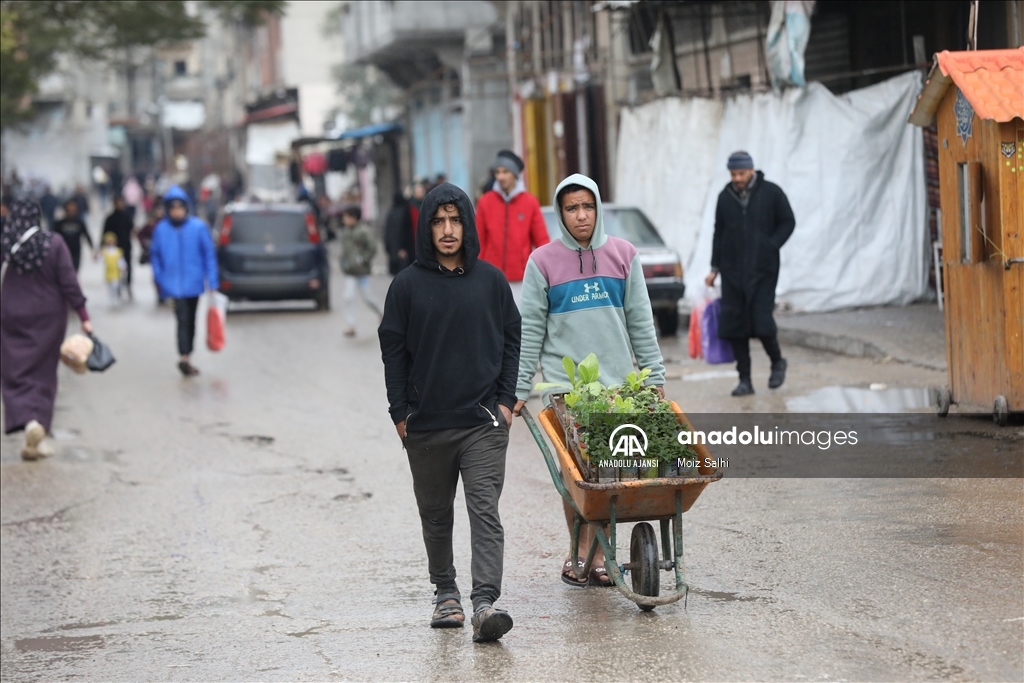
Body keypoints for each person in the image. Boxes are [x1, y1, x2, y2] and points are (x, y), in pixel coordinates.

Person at [378, 182, 521, 643]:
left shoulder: (491, 282)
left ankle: (485, 604)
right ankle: (445, 594)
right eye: (438, 221)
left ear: (467, 225)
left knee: (484, 511)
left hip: (482, 424)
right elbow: (392, 351)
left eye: (455, 220)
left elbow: (512, 338)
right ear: (426, 227)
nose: (447, 230)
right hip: (426, 426)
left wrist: (505, 401)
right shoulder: (406, 286)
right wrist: (400, 413)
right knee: (436, 515)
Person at [511, 173, 666, 587]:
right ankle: (581, 550)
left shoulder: (624, 255)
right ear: (561, 214)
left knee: (611, 472)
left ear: (597, 208)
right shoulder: (542, 262)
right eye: (571, 208)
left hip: (618, 390)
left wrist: (653, 376)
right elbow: (530, 330)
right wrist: (519, 388)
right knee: (576, 476)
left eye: (587, 206)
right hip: (567, 391)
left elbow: (640, 321)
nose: (581, 215)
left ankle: (603, 552)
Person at [1, 200, 93, 460]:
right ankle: (38, 427)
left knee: (14, 372)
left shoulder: (6, 243)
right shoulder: (54, 244)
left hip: (11, 315)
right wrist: (84, 316)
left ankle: (28, 424)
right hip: (48, 318)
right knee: (43, 374)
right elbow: (69, 282)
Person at [704, 151, 795, 397]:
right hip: (732, 271)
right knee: (736, 326)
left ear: (752, 170)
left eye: (741, 173)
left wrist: (771, 245)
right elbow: (718, 232)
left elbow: (788, 221)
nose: (737, 178)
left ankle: (777, 362)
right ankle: (745, 380)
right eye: (733, 174)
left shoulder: (772, 192)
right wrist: (714, 268)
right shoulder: (725, 197)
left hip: (763, 270)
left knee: (761, 321)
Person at [150, 186, 219, 377]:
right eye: (173, 208)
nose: (177, 212)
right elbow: (155, 256)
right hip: (173, 285)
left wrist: (212, 282)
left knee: (191, 319)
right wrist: (159, 279)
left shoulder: (197, 227)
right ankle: (184, 356)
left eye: (180, 208)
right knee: (182, 319)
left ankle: (187, 353)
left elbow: (208, 255)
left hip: (193, 283)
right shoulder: (161, 229)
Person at [475, 150, 550, 302]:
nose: (500, 177)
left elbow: (542, 242)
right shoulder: (485, 202)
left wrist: (548, 272)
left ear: (515, 174)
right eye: (497, 172)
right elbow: (478, 241)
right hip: (491, 278)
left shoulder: (530, 203)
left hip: (522, 280)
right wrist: (476, 272)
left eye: (505, 172)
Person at [339, 206, 381, 337]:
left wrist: (364, 260)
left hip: (362, 271)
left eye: (346, 217)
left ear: (354, 217)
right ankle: (351, 325)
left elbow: (373, 247)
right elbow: (344, 251)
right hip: (349, 271)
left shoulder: (363, 231)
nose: (344, 220)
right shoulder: (346, 231)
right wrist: (343, 263)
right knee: (348, 297)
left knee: (368, 297)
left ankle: (381, 313)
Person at [103, 197, 135, 300]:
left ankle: (128, 284)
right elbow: (105, 233)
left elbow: (132, 229)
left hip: (126, 245)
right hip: (115, 248)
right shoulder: (110, 218)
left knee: (128, 266)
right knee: (116, 267)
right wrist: (103, 247)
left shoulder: (127, 216)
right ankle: (118, 287)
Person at [52, 199, 94, 272]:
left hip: (76, 252)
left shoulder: (79, 223)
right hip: (63, 252)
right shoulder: (59, 224)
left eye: (73, 210)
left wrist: (92, 249)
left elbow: (86, 235)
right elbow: (53, 238)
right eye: (69, 210)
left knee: (74, 271)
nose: (71, 212)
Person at [383, 191, 414, 275]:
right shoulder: (404, 212)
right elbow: (403, 232)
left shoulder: (392, 212)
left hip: (394, 249)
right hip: (403, 250)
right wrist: (402, 247)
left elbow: (387, 233)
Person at [100, 232, 126, 305]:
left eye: (111, 241)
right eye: (108, 241)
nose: (110, 243)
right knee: (109, 287)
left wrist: (123, 268)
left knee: (115, 285)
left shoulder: (118, 251)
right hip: (108, 272)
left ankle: (115, 298)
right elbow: (100, 259)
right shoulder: (104, 251)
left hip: (116, 272)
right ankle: (111, 300)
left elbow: (121, 261)